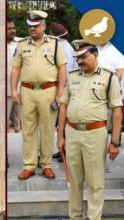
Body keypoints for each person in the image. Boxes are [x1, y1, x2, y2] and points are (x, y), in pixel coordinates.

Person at [57, 39, 122, 219]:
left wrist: (115, 142)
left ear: (95, 55)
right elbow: (64, 105)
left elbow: (117, 111)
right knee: (74, 182)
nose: (80, 61)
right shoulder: (73, 76)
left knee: (95, 182)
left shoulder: (109, 77)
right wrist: (60, 135)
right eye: (77, 58)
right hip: (72, 133)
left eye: (84, 57)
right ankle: (75, 217)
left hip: (96, 133)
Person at [11, 10, 67, 180]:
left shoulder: (55, 44)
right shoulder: (21, 45)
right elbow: (16, 69)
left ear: (43, 26)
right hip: (27, 90)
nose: (32, 29)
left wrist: (60, 92)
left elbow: (62, 68)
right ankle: (29, 165)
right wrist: (14, 90)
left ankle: (47, 165)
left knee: (48, 129)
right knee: (28, 130)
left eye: (35, 26)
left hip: (48, 91)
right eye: (30, 26)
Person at [50, 22, 78, 162]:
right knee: (62, 120)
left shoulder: (63, 48)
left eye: (50, 33)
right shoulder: (66, 46)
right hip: (66, 86)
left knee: (65, 120)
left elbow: (65, 72)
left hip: (65, 87)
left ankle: (66, 150)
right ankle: (62, 150)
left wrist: (60, 91)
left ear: (54, 35)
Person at [7, 16, 22, 133]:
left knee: (19, 123)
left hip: (20, 88)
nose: (12, 31)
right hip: (5, 90)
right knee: (4, 122)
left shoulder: (21, 43)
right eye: (9, 29)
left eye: (13, 28)